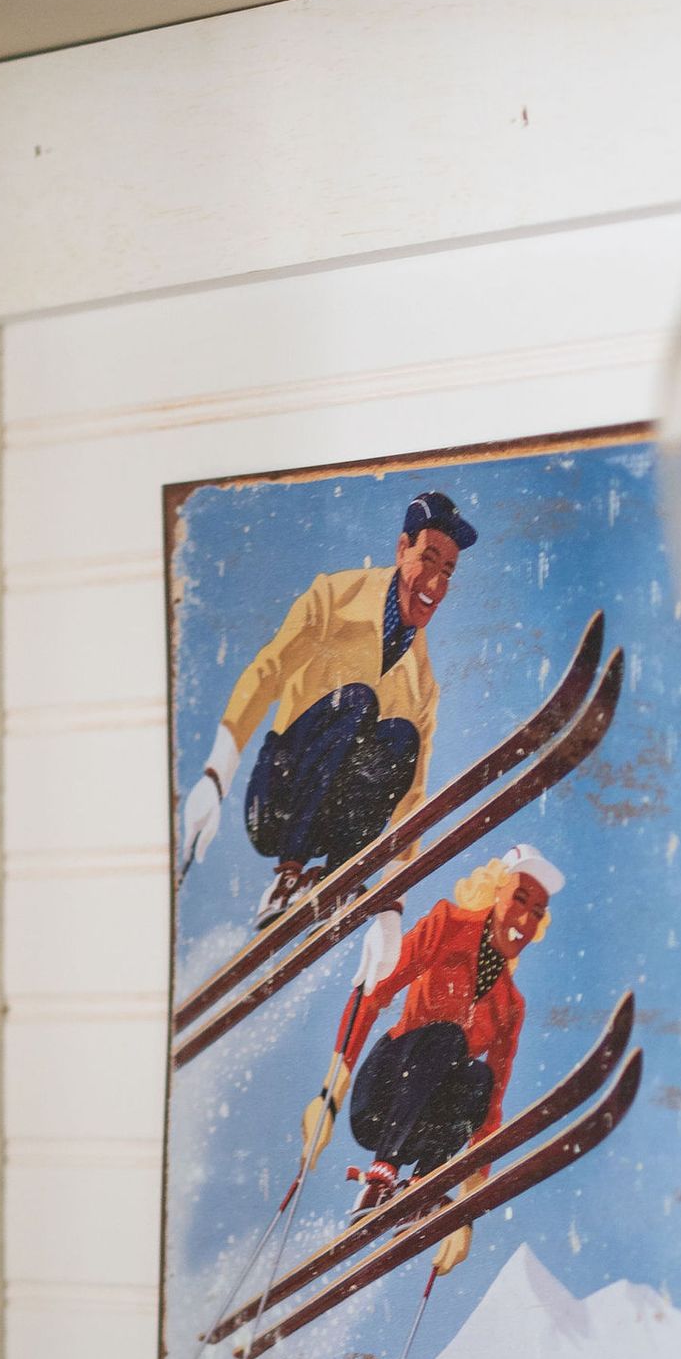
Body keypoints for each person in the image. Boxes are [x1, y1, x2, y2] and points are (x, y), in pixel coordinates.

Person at [178, 489, 477, 925]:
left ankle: (338, 875)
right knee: (358, 701)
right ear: (401, 549)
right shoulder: (335, 597)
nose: (434, 585)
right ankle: (288, 875)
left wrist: (393, 906)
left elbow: (411, 795)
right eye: (428, 561)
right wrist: (215, 775)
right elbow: (268, 671)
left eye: (447, 571)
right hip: (277, 801)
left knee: (402, 738)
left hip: (332, 819)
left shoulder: (423, 683)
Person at [299, 845, 563, 1275]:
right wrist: (330, 1095)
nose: (525, 920)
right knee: (447, 1037)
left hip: (425, 1125)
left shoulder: (510, 1006)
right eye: (519, 899)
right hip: (381, 1097)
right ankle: (381, 1176)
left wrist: (465, 1210)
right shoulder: (448, 925)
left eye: (537, 912)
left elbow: (490, 1112)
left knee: (478, 1079)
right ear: (494, 891)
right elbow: (373, 992)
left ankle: (421, 1188)